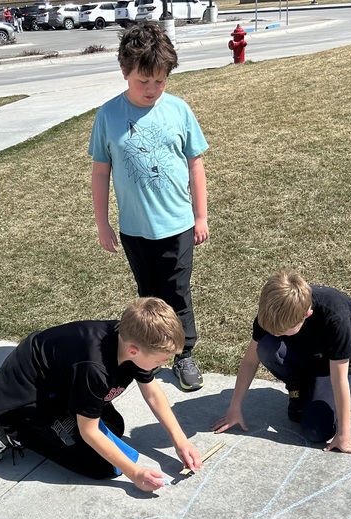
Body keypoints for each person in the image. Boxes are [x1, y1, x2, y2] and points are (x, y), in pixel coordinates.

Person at [89, 21, 210, 393]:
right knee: (148, 295)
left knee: (177, 293)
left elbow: (195, 163)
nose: (152, 89)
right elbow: (100, 172)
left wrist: (201, 215)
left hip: (177, 224)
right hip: (134, 228)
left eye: (160, 81)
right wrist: (103, 223)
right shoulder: (107, 116)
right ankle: (150, 352)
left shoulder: (178, 110)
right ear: (124, 72)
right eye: (143, 81)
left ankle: (183, 353)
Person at [0, 297, 203, 492]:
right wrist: (135, 473)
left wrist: (180, 440)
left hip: (59, 385)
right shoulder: (95, 369)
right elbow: (89, 431)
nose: (164, 364)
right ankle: (12, 432)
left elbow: (153, 394)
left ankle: (53, 421)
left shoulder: (132, 340)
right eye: (160, 360)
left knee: (115, 427)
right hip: (24, 400)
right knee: (102, 465)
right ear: (134, 351)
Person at [212, 270, 351, 454]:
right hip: (306, 353)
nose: (277, 335)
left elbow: (338, 379)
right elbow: (250, 361)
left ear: (306, 314)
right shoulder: (273, 310)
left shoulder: (335, 316)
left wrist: (344, 435)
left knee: (316, 430)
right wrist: (235, 406)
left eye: (283, 331)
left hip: (333, 365)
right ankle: (302, 390)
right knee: (267, 348)